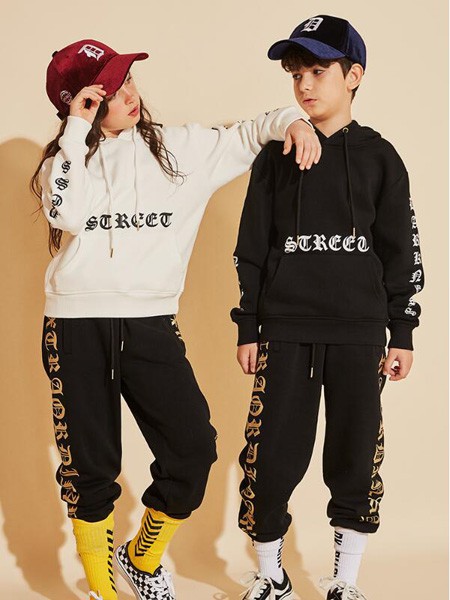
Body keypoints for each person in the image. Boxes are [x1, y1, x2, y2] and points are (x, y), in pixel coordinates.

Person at [32, 38, 321, 600]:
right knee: (91, 464)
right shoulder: (64, 163)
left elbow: (251, 131)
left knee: (192, 449)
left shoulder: (180, 149)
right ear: (80, 103)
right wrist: (75, 131)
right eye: (108, 90)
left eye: (128, 80)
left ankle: (141, 556)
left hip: (150, 322)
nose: (128, 94)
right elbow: (63, 212)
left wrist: (296, 122)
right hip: (75, 322)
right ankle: (102, 589)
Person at [231, 15, 423, 600]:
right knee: (269, 454)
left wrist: (402, 330)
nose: (305, 85)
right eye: (296, 74)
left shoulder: (380, 158)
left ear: (353, 76)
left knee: (355, 453)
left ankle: (346, 580)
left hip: (360, 331)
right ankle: (270, 575)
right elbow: (251, 246)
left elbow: (401, 248)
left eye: (318, 71)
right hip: (285, 329)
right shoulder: (275, 157)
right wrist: (248, 325)